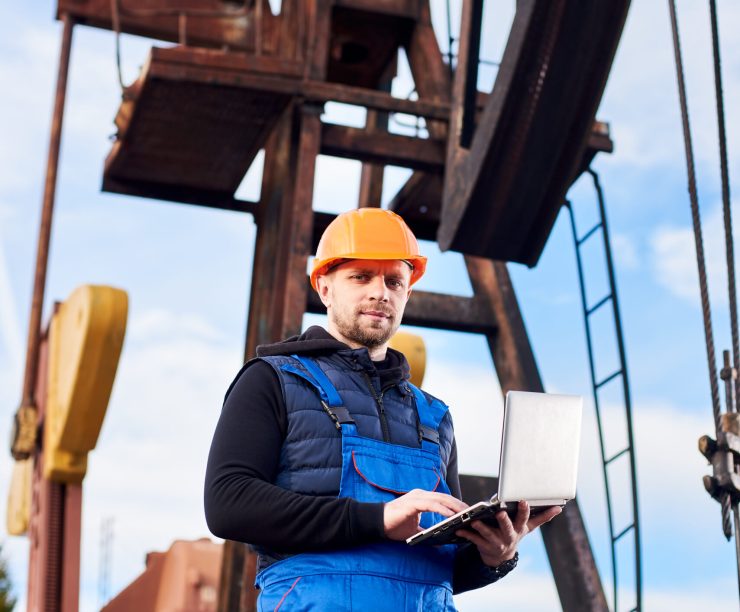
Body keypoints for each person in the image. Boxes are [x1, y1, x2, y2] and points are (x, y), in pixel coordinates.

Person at [204, 208, 560, 610]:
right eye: (361, 277)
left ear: (407, 293)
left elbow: (438, 565)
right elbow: (227, 504)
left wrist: (494, 557)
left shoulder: (434, 417)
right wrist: (377, 519)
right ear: (324, 287)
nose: (380, 292)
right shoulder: (273, 380)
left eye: (394, 281)